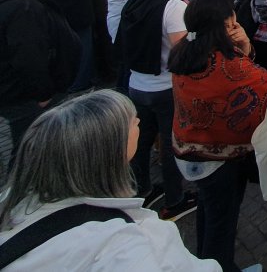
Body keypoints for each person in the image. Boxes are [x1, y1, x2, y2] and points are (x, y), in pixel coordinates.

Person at [0, 90, 219, 271]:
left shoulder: (17, 204)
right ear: (107, 151)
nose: (139, 121)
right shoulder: (124, 249)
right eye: (131, 122)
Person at [169, 0, 267, 272]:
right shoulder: (229, 66)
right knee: (221, 224)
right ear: (224, 24)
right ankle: (218, 265)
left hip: (188, 149)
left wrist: (243, 47)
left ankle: (204, 259)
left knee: (208, 209)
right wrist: (245, 48)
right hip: (218, 161)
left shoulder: (184, 52)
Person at [117, 0, 196, 221]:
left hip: (138, 83)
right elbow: (181, 49)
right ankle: (175, 201)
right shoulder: (173, 6)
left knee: (141, 142)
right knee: (170, 144)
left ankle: (143, 188)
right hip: (164, 85)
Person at [0, 0, 81, 181]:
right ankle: (20, 199)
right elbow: (27, 56)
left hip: (31, 94)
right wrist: (42, 93)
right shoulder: (24, 8)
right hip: (29, 98)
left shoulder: (25, 4)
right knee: (31, 149)